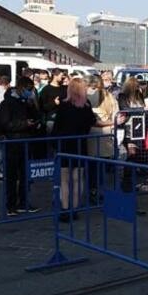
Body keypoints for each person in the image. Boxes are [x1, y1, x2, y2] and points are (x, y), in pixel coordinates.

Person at [53, 78, 100, 220]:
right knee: (78, 179)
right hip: (81, 145)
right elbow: (93, 122)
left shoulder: (64, 105)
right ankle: (75, 209)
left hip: (65, 145)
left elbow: (57, 127)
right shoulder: (86, 106)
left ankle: (65, 209)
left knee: (64, 180)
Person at [0, 76, 42, 216]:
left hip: (25, 141)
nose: (30, 92)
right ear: (21, 87)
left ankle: (23, 202)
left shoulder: (26, 102)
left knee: (24, 174)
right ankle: (10, 205)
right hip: (13, 142)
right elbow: (5, 124)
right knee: (11, 176)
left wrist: (32, 107)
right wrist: (24, 124)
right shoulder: (7, 103)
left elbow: (37, 116)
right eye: (28, 89)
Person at [86, 76, 121, 200]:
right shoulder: (109, 96)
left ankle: (93, 191)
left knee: (93, 167)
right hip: (106, 135)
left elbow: (90, 119)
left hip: (91, 136)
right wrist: (112, 122)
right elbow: (116, 114)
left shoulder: (87, 95)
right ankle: (100, 191)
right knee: (102, 167)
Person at [39, 69, 67, 136]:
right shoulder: (46, 89)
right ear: (55, 75)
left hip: (63, 119)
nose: (63, 77)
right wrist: (54, 103)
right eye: (61, 75)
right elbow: (42, 106)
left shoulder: (64, 88)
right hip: (51, 120)